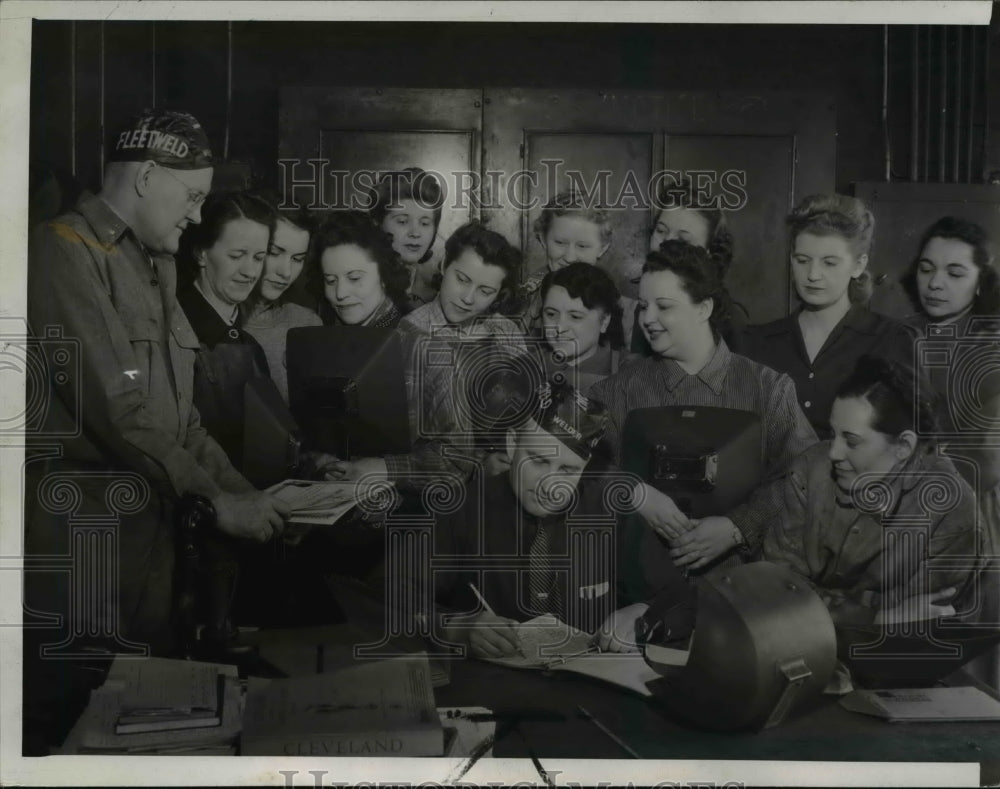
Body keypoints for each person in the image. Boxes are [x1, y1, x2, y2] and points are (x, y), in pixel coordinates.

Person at [24, 110, 287, 748]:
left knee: (156, 732)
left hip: (156, 558)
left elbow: (182, 415)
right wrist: (219, 501)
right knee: (81, 737)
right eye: (192, 197)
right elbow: (123, 415)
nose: (197, 217)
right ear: (146, 177)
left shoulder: (155, 264)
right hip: (90, 558)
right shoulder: (61, 250)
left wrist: (244, 494)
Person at [588, 240, 818, 605]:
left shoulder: (769, 390)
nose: (647, 318)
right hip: (635, 600)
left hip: (742, 599)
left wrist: (738, 527)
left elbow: (806, 479)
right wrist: (633, 492)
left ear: (704, 308)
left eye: (664, 306)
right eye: (644, 306)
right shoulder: (615, 393)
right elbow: (579, 474)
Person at [402, 380, 649, 656]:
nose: (550, 484)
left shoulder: (610, 512)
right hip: (494, 683)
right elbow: (393, 596)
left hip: (591, 683)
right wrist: (455, 626)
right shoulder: (461, 510)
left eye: (567, 470)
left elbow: (678, 598)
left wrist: (642, 612)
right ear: (512, 443)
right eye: (538, 461)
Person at [763, 355, 982, 627]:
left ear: (903, 446)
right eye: (833, 433)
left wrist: (825, 606)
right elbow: (777, 591)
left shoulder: (951, 507)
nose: (833, 452)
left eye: (851, 441)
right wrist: (881, 615)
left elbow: (921, 619)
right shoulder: (810, 467)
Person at [325, 222, 525, 492]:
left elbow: (526, 420)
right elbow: (397, 444)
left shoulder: (507, 332)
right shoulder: (405, 335)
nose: (467, 298)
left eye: (485, 291)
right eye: (462, 279)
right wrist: (479, 469)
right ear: (443, 267)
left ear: (499, 294)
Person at [738, 194, 914, 440]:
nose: (813, 275)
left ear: (858, 265)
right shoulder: (755, 343)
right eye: (802, 261)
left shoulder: (891, 340)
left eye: (829, 263)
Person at [902, 217, 1000, 551]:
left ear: (980, 282)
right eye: (926, 269)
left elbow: (984, 459)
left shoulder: (992, 347)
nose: (935, 284)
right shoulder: (898, 335)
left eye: (954, 273)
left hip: (972, 507)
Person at [176, 190, 277, 471]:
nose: (250, 271)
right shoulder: (175, 333)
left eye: (258, 258)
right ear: (201, 253)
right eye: (237, 255)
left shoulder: (249, 345)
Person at [631, 176, 742, 354]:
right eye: (661, 231)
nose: (665, 244)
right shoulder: (640, 306)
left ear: (709, 253)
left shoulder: (728, 320)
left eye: (683, 239)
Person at [242, 199, 322, 404]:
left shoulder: (307, 323)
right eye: (274, 253)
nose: (285, 272)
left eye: (297, 259)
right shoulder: (215, 321)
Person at [517, 189, 616, 330]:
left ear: (602, 249)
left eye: (582, 246)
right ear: (543, 240)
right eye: (560, 243)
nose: (570, 258)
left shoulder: (621, 307)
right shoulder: (522, 299)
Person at [537, 261, 628, 396]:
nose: (560, 328)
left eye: (575, 317)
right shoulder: (525, 368)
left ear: (604, 321)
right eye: (551, 314)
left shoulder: (631, 374)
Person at [309, 209, 410, 329]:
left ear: (383, 276)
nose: (340, 293)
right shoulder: (319, 327)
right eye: (331, 281)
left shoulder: (411, 338)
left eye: (354, 278)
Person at [367, 167, 444, 307]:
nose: (415, 233)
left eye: (425, 223)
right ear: (377, 223)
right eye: (402, 221)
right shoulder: (358, 282)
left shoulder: (438, 293)